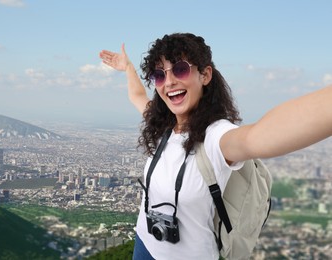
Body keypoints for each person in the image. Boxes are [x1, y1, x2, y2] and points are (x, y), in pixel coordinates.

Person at [99, 33, 332, 259]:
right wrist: (128, 67)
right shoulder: (164, 126)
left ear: (205, 74)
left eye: (180, 69)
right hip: (145, 244)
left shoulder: (216, 137)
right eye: (160, 75)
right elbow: (138, 96)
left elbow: (260, 137)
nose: (169, 82)